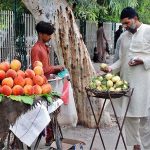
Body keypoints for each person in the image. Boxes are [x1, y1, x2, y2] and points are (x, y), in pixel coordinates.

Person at [102, 7, 150, 150]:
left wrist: (143, 61)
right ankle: (136, 147)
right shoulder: (123, 37)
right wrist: (110, 68)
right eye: (123, 24)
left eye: (127, 23)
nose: (125, 26)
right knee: (130, 117)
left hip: (145, 85)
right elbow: (121, 60)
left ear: (135, 18)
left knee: (145, 120)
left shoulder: (148, 31)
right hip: (127, 84)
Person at [31, 21, 64, 146]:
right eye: (48, 35)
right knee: (46, 112)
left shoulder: (44, 47)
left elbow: (45, 67)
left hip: (47, 84)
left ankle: (50, 136)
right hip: (40, 87)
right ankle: (48, 136)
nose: (50, 37)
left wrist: (54, 72)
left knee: (52, 110)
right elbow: (37, 70)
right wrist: (55, 68)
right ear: (41, 34)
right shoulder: (36, 49)